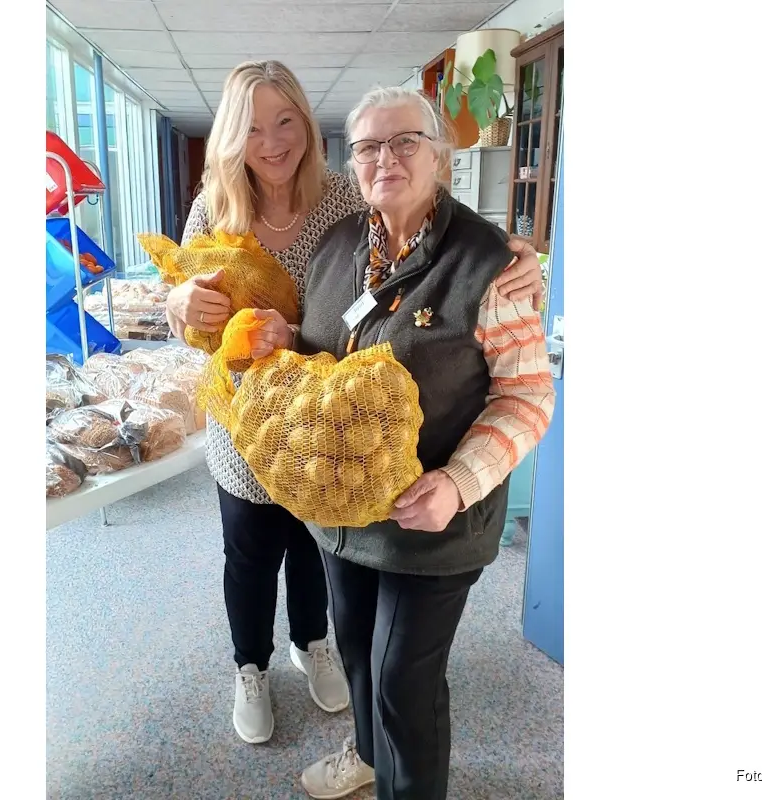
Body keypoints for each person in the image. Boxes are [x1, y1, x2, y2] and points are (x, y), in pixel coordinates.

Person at [165, 61, 546, 747]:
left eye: (286, 121)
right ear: (230, 137)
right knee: (250, 554)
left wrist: (510, 254)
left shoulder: (343, 197)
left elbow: (419, 228)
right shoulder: (211, 210)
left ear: (310, 128)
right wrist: (177, 305)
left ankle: (312, 644)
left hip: (335, 435)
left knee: (319, 546)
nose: (272, 142)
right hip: (248, 427)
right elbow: (191, 322)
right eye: (253, 128)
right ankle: (250, 666)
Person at [250, 85, 557, 798]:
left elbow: (527, 396)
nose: (384, 158)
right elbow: (327, 350)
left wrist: (458, 483)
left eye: (404, 141)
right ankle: (367, 756)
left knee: (401, 682)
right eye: (367, 147)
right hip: (346, 516)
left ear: (439, 156)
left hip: (436, 523)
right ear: (352, 163)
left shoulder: (491, 264)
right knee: (358, 653)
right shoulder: (336, 248)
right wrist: (284, 339)